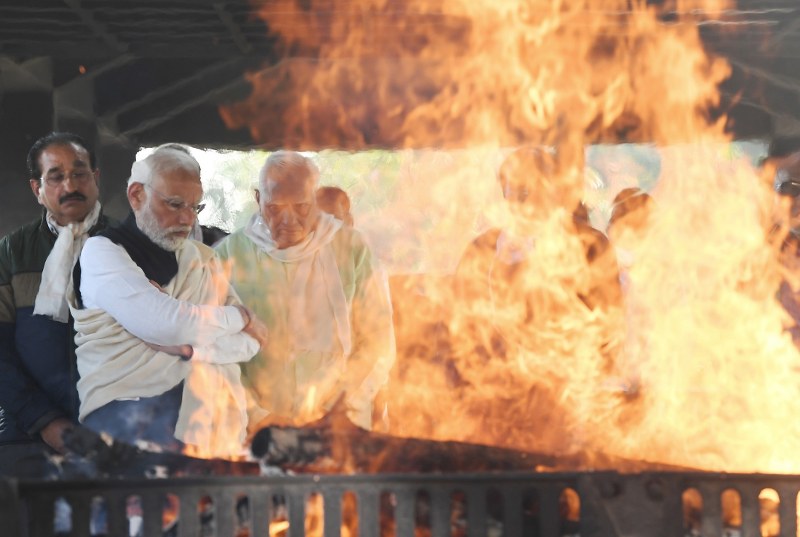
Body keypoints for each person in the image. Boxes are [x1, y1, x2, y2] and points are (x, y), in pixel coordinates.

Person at [68, 145, 267, 456]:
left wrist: (192, 351)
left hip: (202, 418)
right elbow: (169, 326)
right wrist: (239, 317)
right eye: (175, 205)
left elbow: (251, 343)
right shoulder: (102, 251)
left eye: (195, 207)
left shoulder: (203, 259)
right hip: (126, 415)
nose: (187, 219)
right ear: (137, 196)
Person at [215, 151, 395, 430]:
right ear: (258, 199)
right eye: (275, 208)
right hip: (254, 428)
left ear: (315, 199)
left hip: (341, 424)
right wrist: (257, 415)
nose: (289, 220)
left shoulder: (352, 249)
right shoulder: (227, 254)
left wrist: (339, 408)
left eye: (300, 207)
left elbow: (377, 341)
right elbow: (214, 348)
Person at [0, 132, 113, 473]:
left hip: (115, 435)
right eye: (56, 176)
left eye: (79, 173)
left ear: (96, 178)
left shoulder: (127, 246)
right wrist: (45, 422)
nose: (70, 185)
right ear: (37, 189)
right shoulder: (11, 254)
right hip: (28, 435)